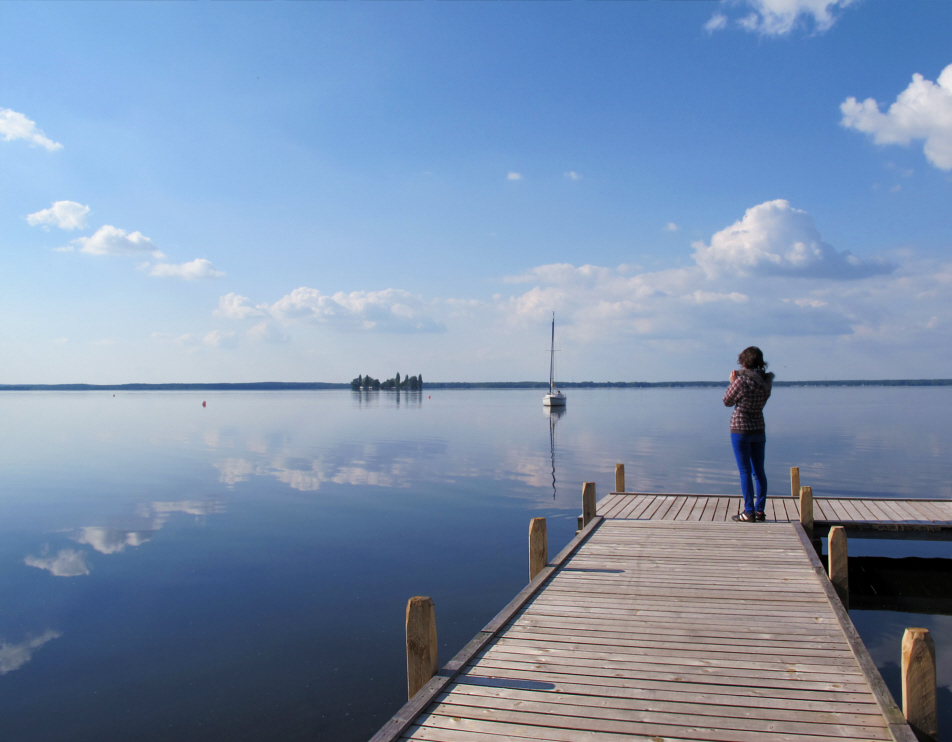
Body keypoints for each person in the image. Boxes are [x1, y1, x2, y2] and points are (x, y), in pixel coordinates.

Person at [724, 346, 774, 523]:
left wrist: (732, 382)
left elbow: (727, 401)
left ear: (744, 362)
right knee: (759, 471)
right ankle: (759, 511)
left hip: (740, 429)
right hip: (758, 428)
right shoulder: (766, 382)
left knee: (745, 471)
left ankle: (748, 511)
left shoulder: (741, 381)